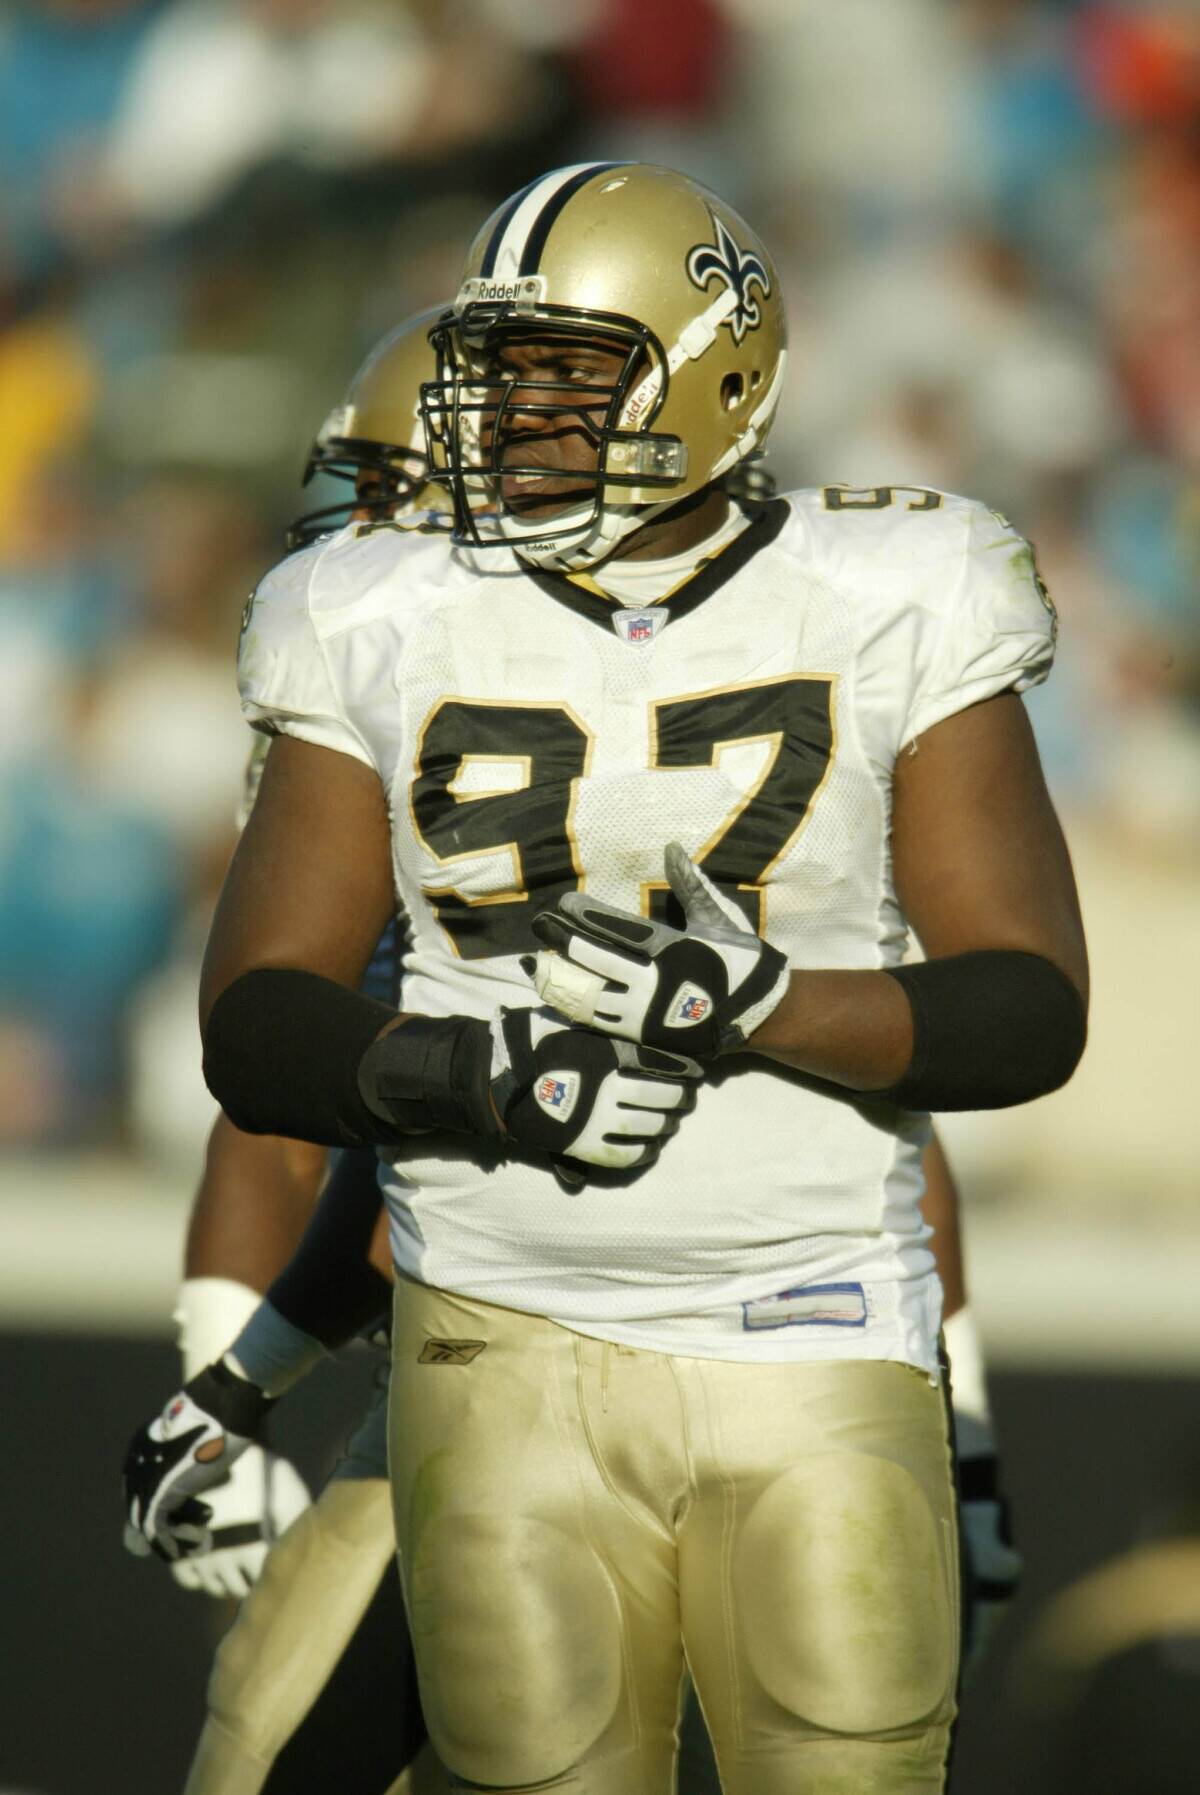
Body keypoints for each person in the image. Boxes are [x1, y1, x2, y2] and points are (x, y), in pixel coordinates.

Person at [128, 163, 1087, 1793]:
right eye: (486, 384)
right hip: (488, 1336)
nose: (502, 431)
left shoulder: (888, 591)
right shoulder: (374, 626)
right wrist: (247, 1358)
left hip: (804, 1321)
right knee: (289, 1755)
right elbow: (278, 1057)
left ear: (711, 373)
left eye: (560, 376)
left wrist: (759, 1007)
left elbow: (990, 1035)